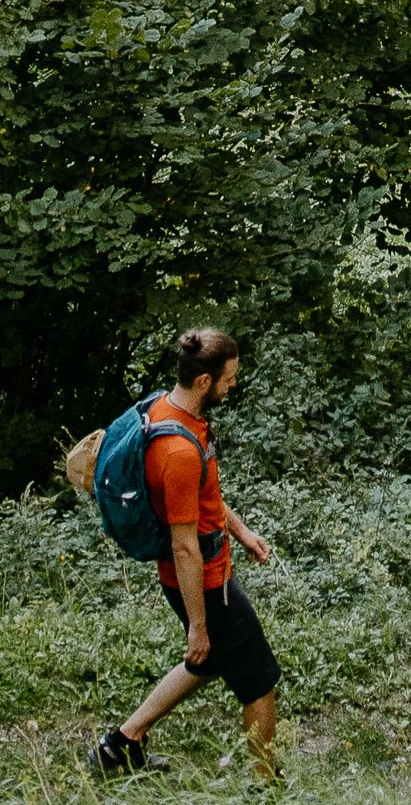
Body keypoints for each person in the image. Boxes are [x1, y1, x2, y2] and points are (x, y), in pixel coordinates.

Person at [89, 326, 281, 773]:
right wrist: (198, 624)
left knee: (210, 660)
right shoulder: (177, 452)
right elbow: (184, 545)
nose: (232, 386)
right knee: (259, 680)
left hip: (206, 573)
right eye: (228, 379)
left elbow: (204, 499)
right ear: (203, 382)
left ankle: (120, 744)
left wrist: (241, 531)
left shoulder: (166, 409)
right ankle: (265, 786)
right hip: (206, 583)